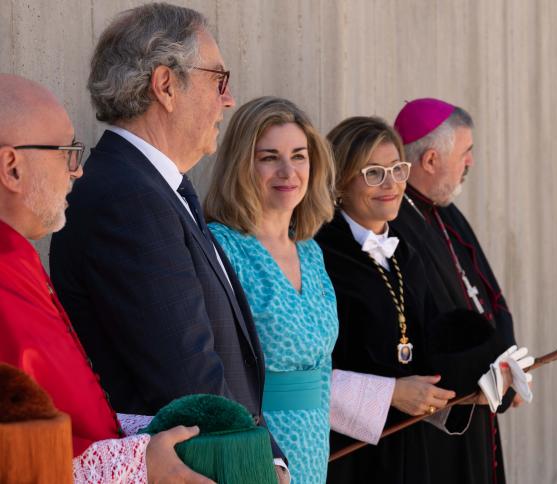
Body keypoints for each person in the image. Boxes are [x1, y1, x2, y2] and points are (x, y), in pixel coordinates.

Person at [48, 4, 286, 479]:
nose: (229, 98)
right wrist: (261, 465)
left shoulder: (154, 186)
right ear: (165, 85)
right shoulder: (127, 196)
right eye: (219, 79)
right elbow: (186, 369)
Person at [0, 73, 211, 483]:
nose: (76, 172)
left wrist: (142, 439)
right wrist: (136, 465)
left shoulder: (18, 258)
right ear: (12, 168)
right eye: (67, 153)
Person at [315, 117, 526, 484]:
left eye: (397, 169)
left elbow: (426, 344)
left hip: (408, 448)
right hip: (349, 454)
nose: (391, 184)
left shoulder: (405, 254)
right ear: (340, 180)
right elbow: (311, 370)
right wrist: (390, 394)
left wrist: (477, 384)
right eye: (373, 173)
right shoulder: (321, 254)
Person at [204, 96, 338, 483]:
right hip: (256, 451)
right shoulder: (221, 247)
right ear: (242, 164)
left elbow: (323, 369)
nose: (287, 171)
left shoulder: (311, 251)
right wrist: (249, 453)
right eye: (269, 158)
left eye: (299, 155)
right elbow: (215, 366)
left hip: (314, 447)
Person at [391, 98, 519, 484]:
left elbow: (488, 294)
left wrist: (507, 363)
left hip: (480, 395)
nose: (471, 162)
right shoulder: (393, 225)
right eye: (466, 152)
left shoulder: (443, 210)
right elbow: (428, 326)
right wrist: (482, 373)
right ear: (430, 161)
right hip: (443, 412)